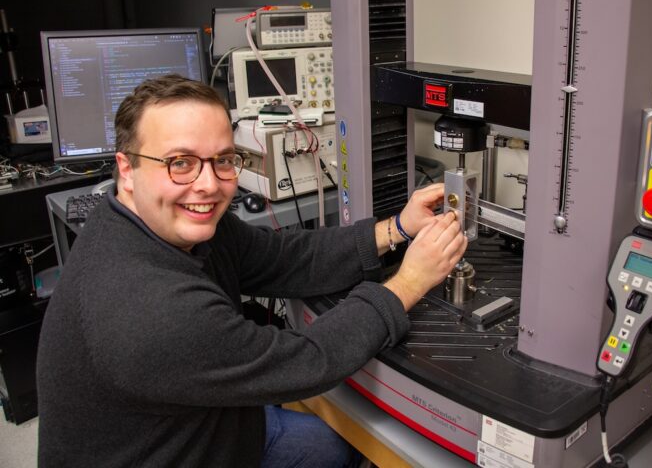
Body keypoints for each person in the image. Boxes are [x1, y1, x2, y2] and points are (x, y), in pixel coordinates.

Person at [36, 74, 467, 467]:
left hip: (204, 424)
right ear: (127, 169)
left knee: (333, 447)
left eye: (223, 159)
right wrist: (410, 281)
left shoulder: (161, 221)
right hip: (172, 452)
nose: (208, 184)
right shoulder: (150, 308)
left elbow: (282, 256)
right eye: (180, 162)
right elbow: (305, 362)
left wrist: (397, 229)